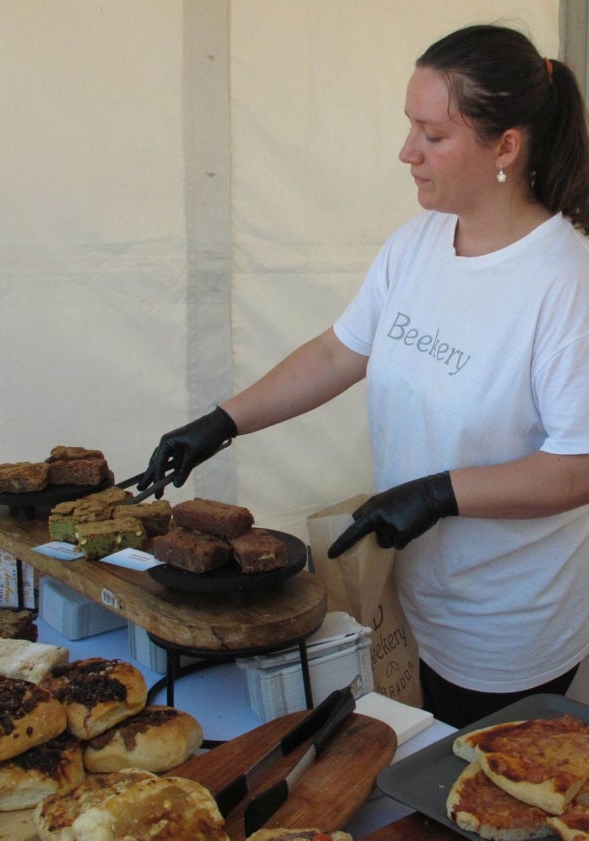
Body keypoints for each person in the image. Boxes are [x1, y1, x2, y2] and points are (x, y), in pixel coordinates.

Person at [138, 24, 589, 728]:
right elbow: (338, 352)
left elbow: (577, 463)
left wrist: (439, 494)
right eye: (409, 127)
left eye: (431, 135)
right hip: (412, 593)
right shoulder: (415, 244)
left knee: (484, 795)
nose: (406, 152)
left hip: (508, 623)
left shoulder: (565, 283)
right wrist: (221, 422)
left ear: (505, 146)